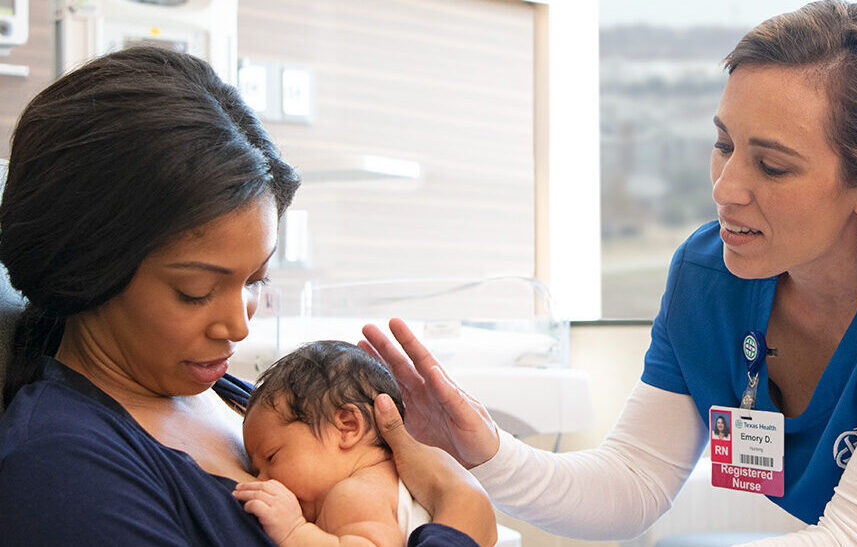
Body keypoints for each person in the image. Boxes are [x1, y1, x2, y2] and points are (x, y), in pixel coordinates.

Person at [361, 2, 857, 545]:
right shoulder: (709, 278)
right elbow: (632, 482)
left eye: (773, 167)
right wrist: (485, 453)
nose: (725, 189)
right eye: (723, 145)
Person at [0, 47, 495, 547]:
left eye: (256, 280)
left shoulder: (235, 398)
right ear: (87, 270)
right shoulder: (63, 473)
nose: (238, 326)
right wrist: (461, 515)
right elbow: (459, 517)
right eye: (195, 292)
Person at [234, 340, 431, 546]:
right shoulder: (393, 480)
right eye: (255, 472)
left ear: (347, 426)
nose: (261, 480)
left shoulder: (352, 494)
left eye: (271, 457)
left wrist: (294, 531)